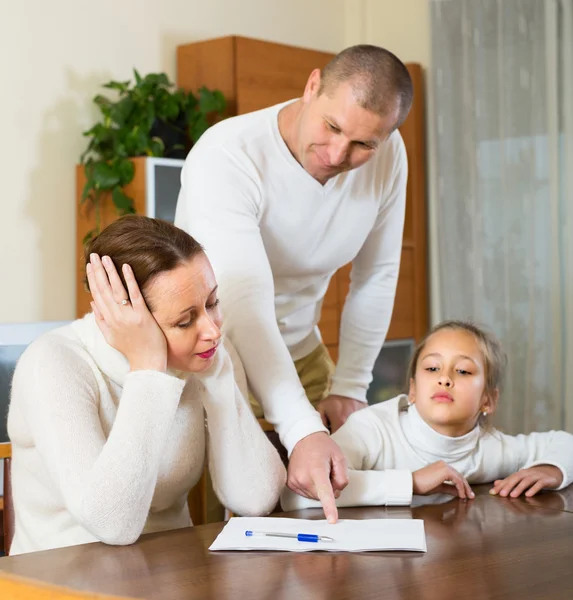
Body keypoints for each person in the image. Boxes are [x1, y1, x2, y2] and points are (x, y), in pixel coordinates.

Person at [175, 44, 414, 521]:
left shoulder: (388, 158)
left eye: (364, 145)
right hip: (215, 352)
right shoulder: (229, 155)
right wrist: (303, 430)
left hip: (300, 346)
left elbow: (377, 274)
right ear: (311, 87)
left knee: (335, 488)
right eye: (332, 127)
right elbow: (243, 305)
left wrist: (350, 385)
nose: (337, 155)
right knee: (240, 503)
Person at [7, 216, 286, 555]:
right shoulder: (53, 363)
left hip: (173, 576)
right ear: (125, 318)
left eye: (212, 303)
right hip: (59, 580)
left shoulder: (206, 353)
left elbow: (254, 497)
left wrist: (218, 374)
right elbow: (112, 525)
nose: (212, 330)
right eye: (185, 321)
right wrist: (148, 369)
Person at [281, 320, 573, 511]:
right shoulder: (372, 429)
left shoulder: (490, 447)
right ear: (413, 389)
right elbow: (297, 494)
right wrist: (411, 483)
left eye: (462, 371)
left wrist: (552, 469)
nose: (444, 379)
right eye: (432, 368)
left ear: (488, 399)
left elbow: (564, 443)